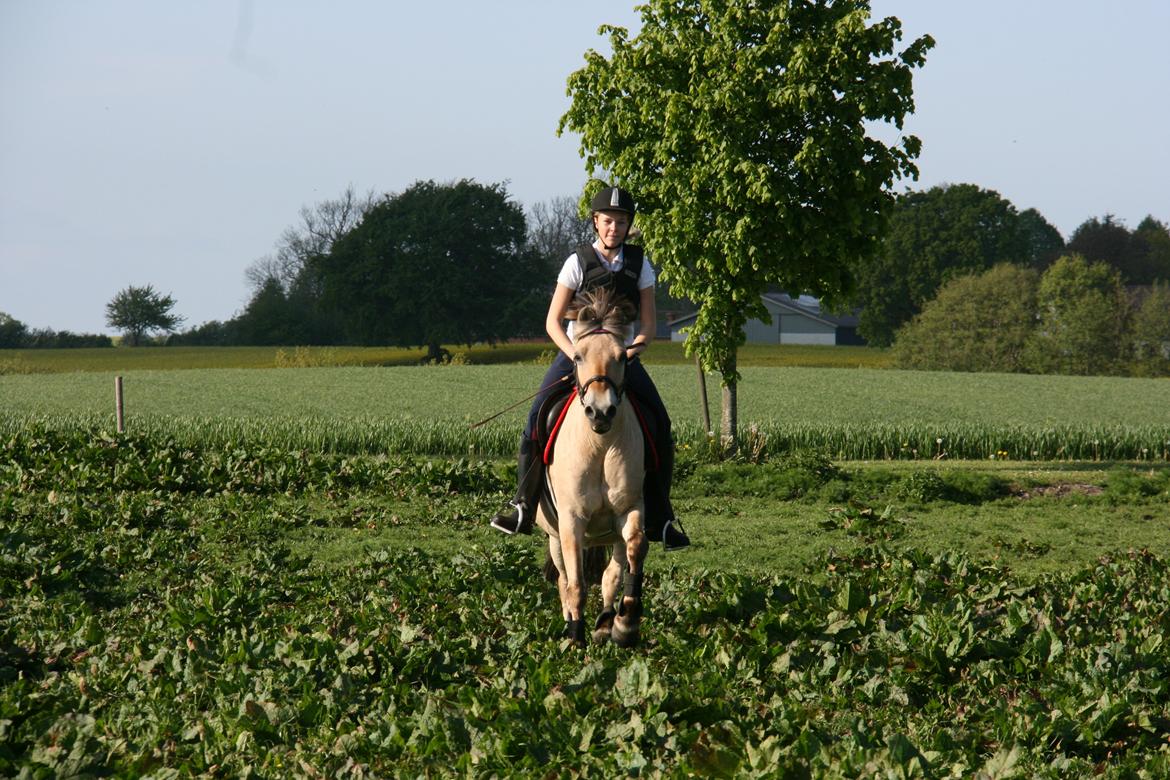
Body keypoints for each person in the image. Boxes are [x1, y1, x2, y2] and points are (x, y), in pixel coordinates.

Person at [489, 185, 690, 551]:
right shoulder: (577, 262)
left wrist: (630, 352)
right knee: (536, 419)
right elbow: (552, 322)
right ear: (596, 222)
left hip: (619, 358)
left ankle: (661, 516)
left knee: (660, 422)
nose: (615, 227)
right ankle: (522, 505)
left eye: (622, 221)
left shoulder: (640, 265)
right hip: (575, 354)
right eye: (608, 220)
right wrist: (575, 355)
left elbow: (648, 325)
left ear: (629, 225)